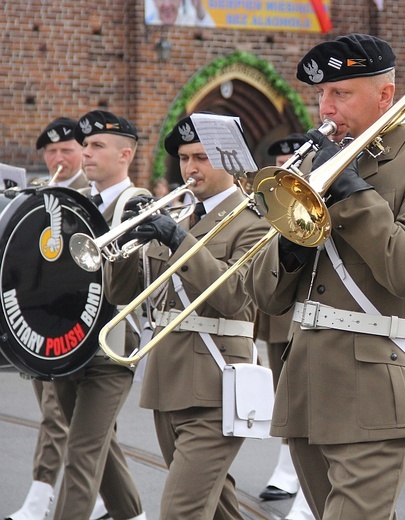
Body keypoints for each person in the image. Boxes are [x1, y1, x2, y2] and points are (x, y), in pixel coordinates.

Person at [244, 33, 405, 519]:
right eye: (321, 95)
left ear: (385, 96)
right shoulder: (311, 165)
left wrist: (348, 189)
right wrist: (292, 241)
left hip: (376, 386)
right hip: (304, 385)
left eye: (340, 94)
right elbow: (263, 293)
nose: (326, 108)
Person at [104, 114, 269, 519]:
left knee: (181, 509)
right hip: (167, 381)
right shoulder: (178, 217)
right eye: (183, 158)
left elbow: (233, 296)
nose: (190, 169)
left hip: (216, 383)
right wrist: (123, 238)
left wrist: (180, 241)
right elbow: (123, 294)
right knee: (216, 508)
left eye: (201, 157)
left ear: (230, 160)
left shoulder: (254, 221)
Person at [4, 117, 107, 520]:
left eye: (67, 150)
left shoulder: (89, 198)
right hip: (37, 317)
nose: (58, 158)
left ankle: (40, 494)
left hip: (76, 321)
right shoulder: (38, 196)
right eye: (51, 152)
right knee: (84, 425)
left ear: (82, 153)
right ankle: (110, 502)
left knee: (56, 412)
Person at [50, 110, 148, 520]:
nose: (85, 154)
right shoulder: (76, 202)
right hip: (69, 343)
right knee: (95, 442)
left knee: (81, 451)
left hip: (110, 349)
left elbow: (136, 280)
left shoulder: (137, 204)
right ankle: (131, 514)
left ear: (125, 154)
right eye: (85, 146)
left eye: (96, 146)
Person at [256, 133, 314, 520]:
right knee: (285, 392)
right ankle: (289, 466)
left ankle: (295, 473)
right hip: (277, 307)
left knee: (305, 395)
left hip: (311, 307)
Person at [146, 0, 214, 27]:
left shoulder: (189, 22)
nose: (167, 4)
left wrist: (199, 9)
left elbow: (210, 36)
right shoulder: (148, 24)